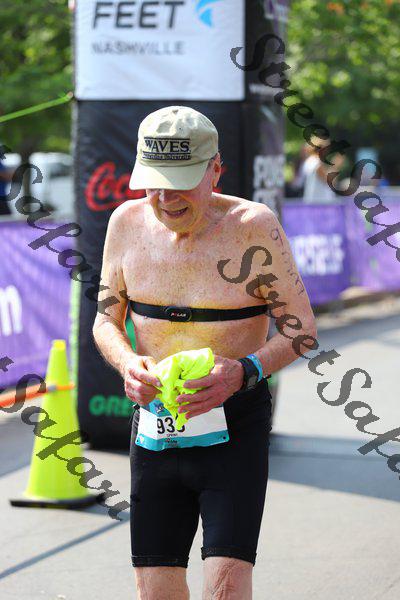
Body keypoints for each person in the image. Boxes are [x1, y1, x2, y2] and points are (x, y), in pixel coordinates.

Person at [92, 105, 317, 600]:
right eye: (154, 183)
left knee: (226, 588)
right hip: (156, 429)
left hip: (234, 429)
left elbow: (301, 330)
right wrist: (128, 364)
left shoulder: (252, 226)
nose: (165, 198)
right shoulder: (125, 223)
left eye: (180, 182)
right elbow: (105, 321)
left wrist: (244, 370)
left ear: (216, 170)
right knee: (155, 592)